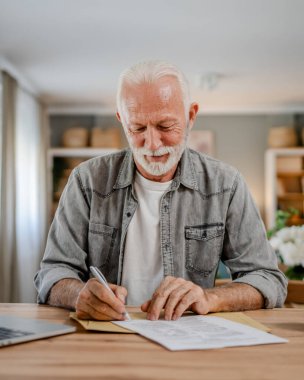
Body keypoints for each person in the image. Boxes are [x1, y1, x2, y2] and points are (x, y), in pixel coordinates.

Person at [34, 60, 287, 321]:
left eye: (166, 126)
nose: (152, 144)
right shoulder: (86, 181)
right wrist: (79, 295)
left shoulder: (227, 185)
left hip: (189, 340)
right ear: (122, 120)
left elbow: (268, 279)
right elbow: (53, 272)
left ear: (191, 116)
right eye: (138, 128)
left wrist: (209, 298)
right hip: (106, 339)